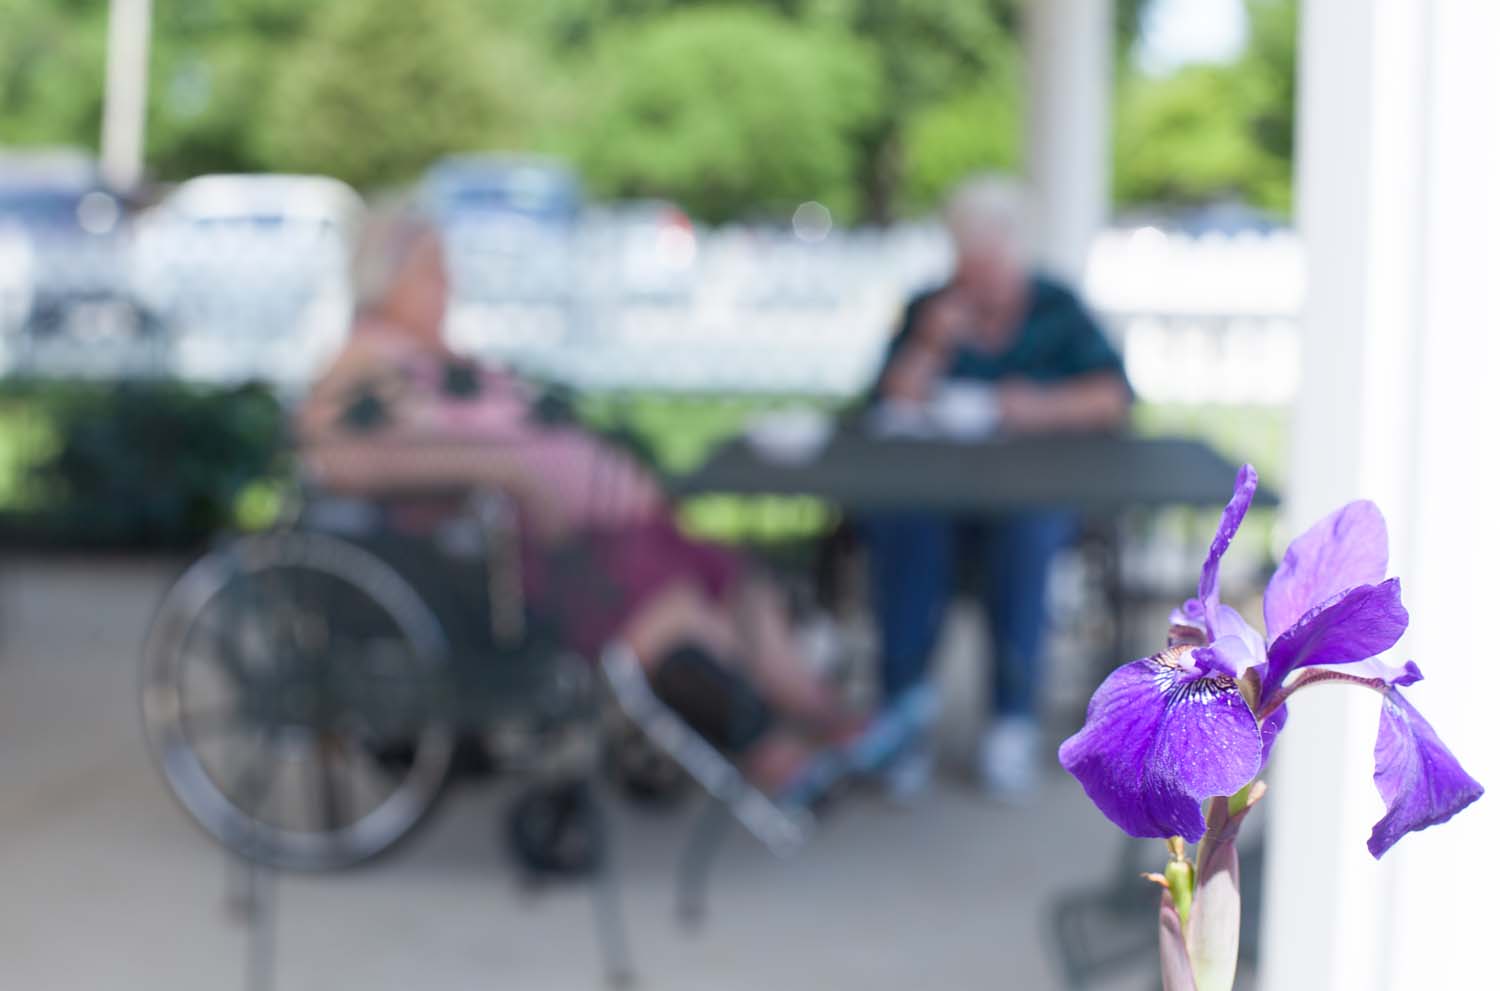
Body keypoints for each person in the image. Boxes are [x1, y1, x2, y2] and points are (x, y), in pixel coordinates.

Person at [299, 207, 862, 794]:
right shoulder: (366, 358)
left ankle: (824, 722)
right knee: (681, 610)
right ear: (386, 278)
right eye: (432, 272)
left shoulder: (439, 354)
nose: (449, 287)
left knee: (740, 588)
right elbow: (339, 460)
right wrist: (501, 469)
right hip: (533, 550)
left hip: (597, 523)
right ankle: (776, 742)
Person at [865, 175, 1131, 803]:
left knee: (1028, 531)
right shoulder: (932, 306)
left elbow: (1111, 397)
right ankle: (903, 712)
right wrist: (931, 343)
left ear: (1016, 252)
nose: (978, 275)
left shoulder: (1056, 310)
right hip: (939, 493)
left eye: (990, 259)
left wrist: (1030, 408)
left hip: (1029, 493)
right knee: (903, 525)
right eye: (967, 259)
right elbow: (884, 401)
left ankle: (1012, 717)